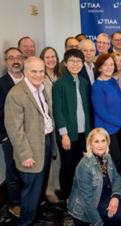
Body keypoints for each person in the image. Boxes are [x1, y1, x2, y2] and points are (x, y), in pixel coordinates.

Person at [4, 57, 57, 225]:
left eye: (41, 71)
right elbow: (14, 129)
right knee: (31, 190)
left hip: (46, 142)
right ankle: (26, 222)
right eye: (34, 71)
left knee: (40, 185)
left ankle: (37, 215)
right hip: (30, 149)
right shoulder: (16, 94)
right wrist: (25, 154)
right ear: (25, 72)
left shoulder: (41, 88)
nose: (38, 75)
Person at [68, 128, 121, 226]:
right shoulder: (84, 166)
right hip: (85, 208)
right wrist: (98, 223)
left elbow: (116, 178)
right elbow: (87, 201)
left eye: (103, 141)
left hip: (100, 194)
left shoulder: (106, 157)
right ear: (90, 144)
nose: (101, 145)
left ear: (107, 142)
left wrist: (115, 197)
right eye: (96, 141)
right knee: (117, 215)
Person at [52, 49, 92, 201]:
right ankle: (67, 197)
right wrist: (64, 135)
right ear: (65, 63)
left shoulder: (83, 82)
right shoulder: (59, 84)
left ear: (82, 64)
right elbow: (58, 111)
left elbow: (86, 110)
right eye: (72, 61)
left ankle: (80, 195)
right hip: (68, 135)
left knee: (82, 167)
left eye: (78, 61)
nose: (75, 64)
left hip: (83, 133)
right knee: (68, 167)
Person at [92, 54, 121, 172]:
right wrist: (120, 122)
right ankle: (109, 188)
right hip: (107, 130)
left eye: (111, 64)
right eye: (105, 65)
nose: (109, 67)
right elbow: (101, 112)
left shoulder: (112, 81)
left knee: (120, 159)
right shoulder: (97, 86)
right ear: (99, 68)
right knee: (112, 160)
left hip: (119, 127)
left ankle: (117, 186)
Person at [0, 47, 24, 218]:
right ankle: (15, 203)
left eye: (18, 57)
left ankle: (28, 200)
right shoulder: (1, 84)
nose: (16, 60)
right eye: (11, 58)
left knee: (28, 169)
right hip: (10, 135)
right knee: (13, 171)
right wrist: (4, 135)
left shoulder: (29, 80)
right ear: (6, 62)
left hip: (29, 135)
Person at [39, 46, 61, 204]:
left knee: (59, 155)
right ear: (42, 59)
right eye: (47, 57)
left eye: (53, 56)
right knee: (51, 157)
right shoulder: (40, 77)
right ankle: (49, 191)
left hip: (61, 122)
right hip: (47, 124)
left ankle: (57, 186)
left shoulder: (60, 75)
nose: (51, 59)